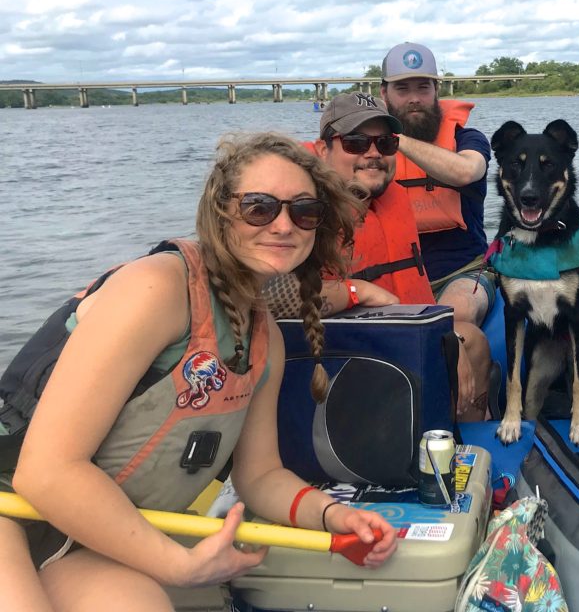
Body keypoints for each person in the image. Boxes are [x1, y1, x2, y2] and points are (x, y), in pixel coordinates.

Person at [0, 133, 397, 611]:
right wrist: (178, 565)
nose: (283, 225)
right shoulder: (157, 287)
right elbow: (45, 471)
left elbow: (261, 475)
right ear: (220, 212)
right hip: (12, 507)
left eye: (304, 211)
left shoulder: (263, 338)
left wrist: (332, 514)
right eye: (259, 207)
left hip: (82, 535)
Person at [264, 92, 493, 421]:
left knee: (471, 341)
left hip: (401, 339)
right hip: (345, 358)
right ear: (323, 149)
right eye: (356, 142)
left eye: (385, 143)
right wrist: (360, 290)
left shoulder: (393, 198)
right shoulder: (301, 210)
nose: (373, 153)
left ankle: (464, 450)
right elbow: (266, 295)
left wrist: (445, 334)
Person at [379, 42, 495, 329]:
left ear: (436, 91)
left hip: (462, 272)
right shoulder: (368, 150)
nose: (414, 98)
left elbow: (467, 171)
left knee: (459, 312)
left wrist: (395, 138)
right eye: (402, 89)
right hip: (391, 277)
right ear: (384, 94)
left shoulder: (469, 139)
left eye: (423, 88)